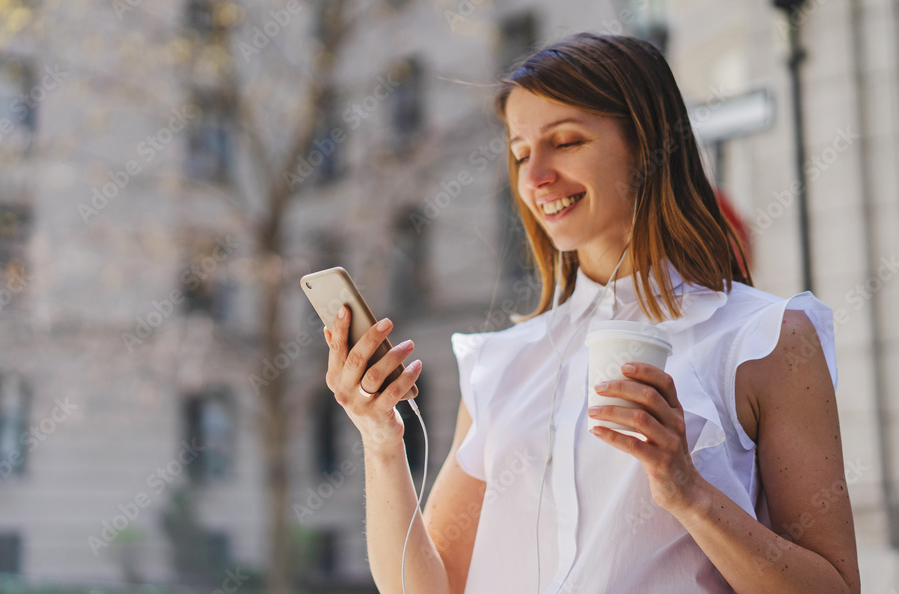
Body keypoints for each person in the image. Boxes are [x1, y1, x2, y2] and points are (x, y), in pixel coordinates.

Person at [321, 33, 860, 594]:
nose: (534, 179)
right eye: (522, 152)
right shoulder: (502, 363)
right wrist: (381, 438)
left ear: (645, 144)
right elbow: (425, 589)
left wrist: (689, 493)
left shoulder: (763, 338)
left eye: (566, 141)